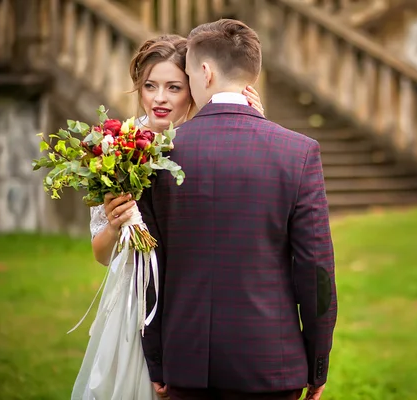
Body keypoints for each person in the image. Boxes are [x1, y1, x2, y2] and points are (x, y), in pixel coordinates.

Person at [138, 19, 338, 400]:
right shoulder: (298, 152)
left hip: (186, 364)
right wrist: (317, 363)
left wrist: (157, 359)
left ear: (205, 72)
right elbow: (316, 273)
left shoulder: (157, 156)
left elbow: (150, 268)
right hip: (273, 365)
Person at [75, 34, 264, 399]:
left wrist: (253, 124)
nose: (160, 98)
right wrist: (115, 225)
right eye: (150, 86)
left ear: (194, 87)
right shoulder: (117, 150)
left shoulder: (207, 142)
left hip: (194, 301)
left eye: (173, 87)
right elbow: (101, 255)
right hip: (137, 305)